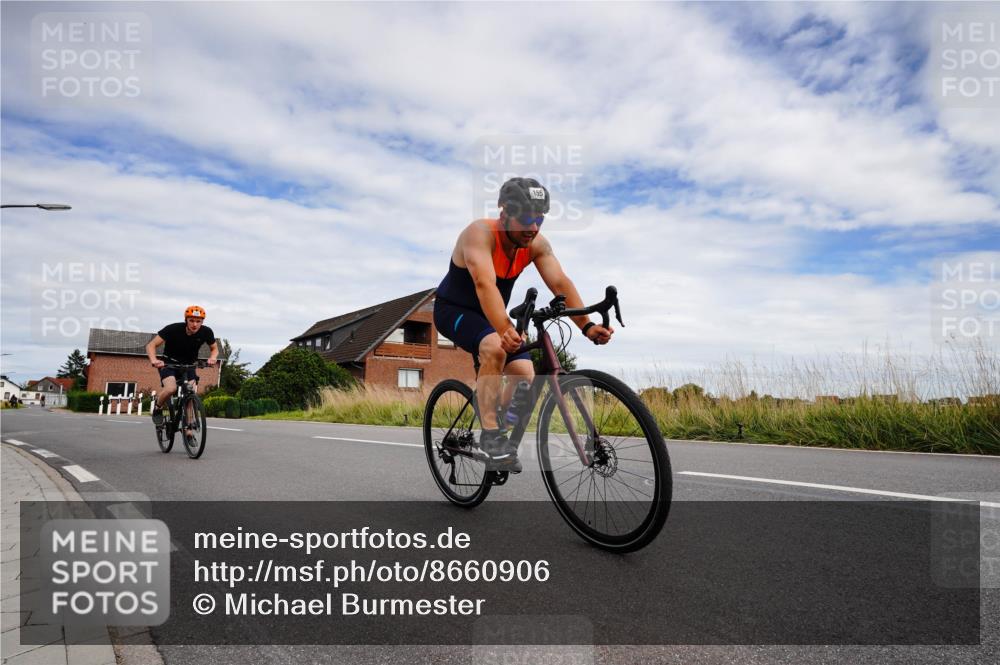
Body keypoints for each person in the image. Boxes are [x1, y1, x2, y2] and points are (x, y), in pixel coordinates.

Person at [434, 177, 613, 472]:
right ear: (504, 213)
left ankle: (496, 415)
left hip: (491, 314)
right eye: (526, 218)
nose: (533, 227)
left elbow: (560, 283)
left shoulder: (536, 244)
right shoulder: (479, 234)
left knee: (526, 376)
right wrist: (504, 329)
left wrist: (587, 326)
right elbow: (484, 284)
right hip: (455, 310)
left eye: (539, 218)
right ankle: (491, 436)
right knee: (494, 347)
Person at [145, 305, 218, 426]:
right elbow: (151, 345)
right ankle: (158, 408)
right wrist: (154, 360)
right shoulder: (173, 329)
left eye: (198, 321)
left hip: (189, 366)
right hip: (169, 364)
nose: (195, 324)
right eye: (192, 321)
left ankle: (189, 430)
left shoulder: (206, 332)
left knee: (190, 393)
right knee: (170, 389)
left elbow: (214, 348)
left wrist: (213, 357)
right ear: (186, 320)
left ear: (202, 322)